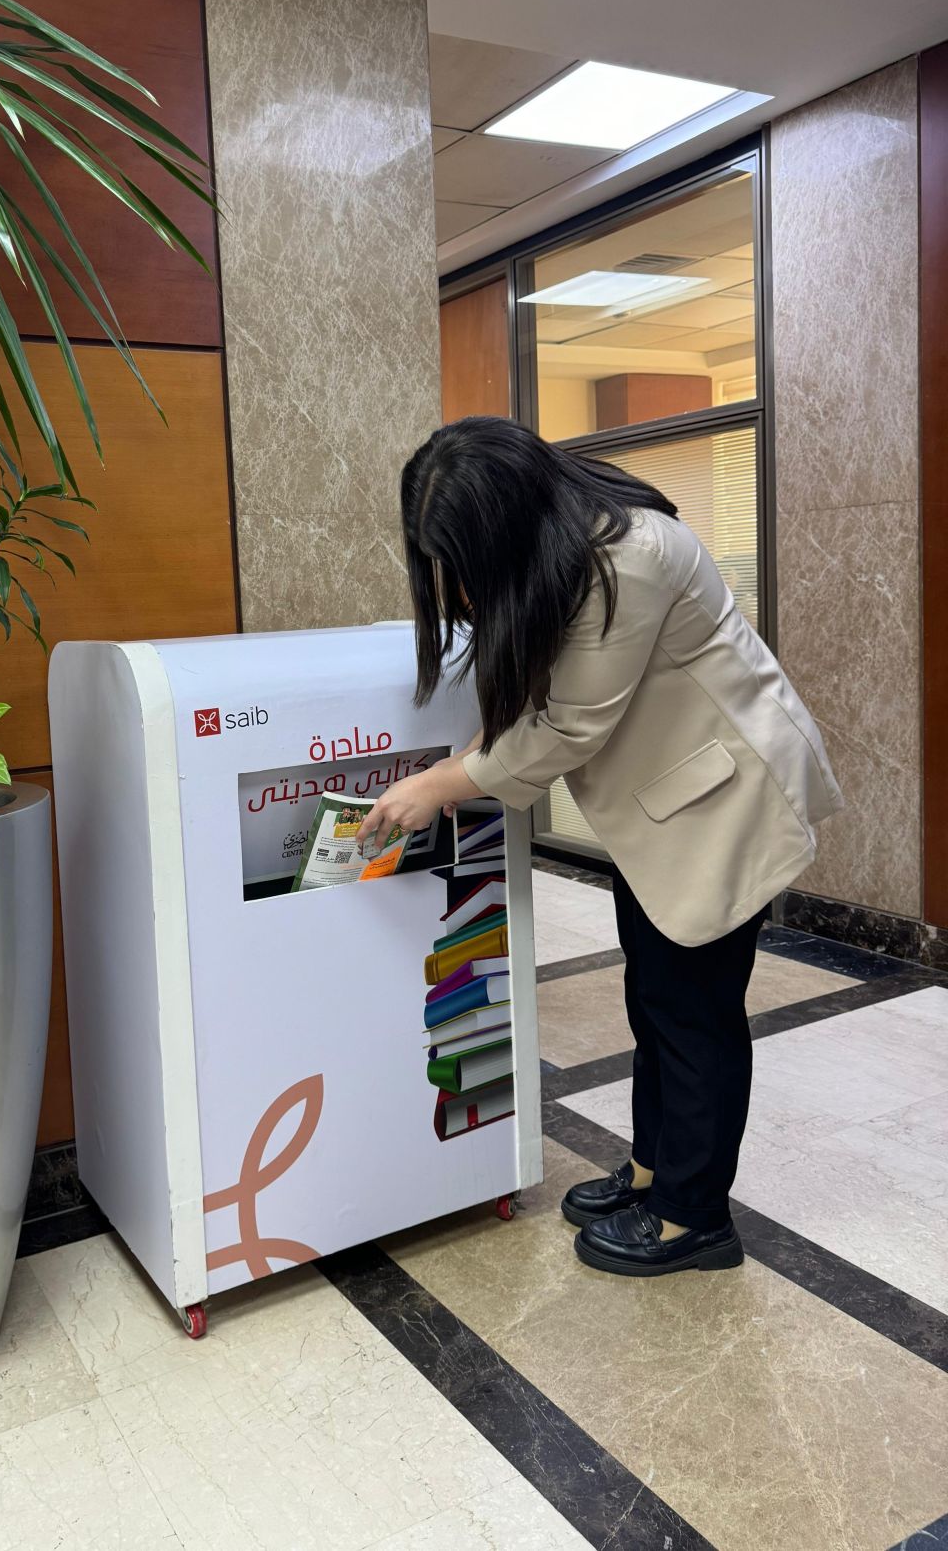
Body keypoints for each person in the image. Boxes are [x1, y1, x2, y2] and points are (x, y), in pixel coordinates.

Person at [356, 418, 842, 1277]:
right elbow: (541, 691)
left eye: (466, 563)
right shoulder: (569, 544)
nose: (461, 588)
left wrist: (442, 784)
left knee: (693, 1014)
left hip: (723, 804)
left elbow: (569, 726)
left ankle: (693, 1218)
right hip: (668, 810)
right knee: (655, 996)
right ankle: (656, 1171)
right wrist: (460, 762)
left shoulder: (629, 558)